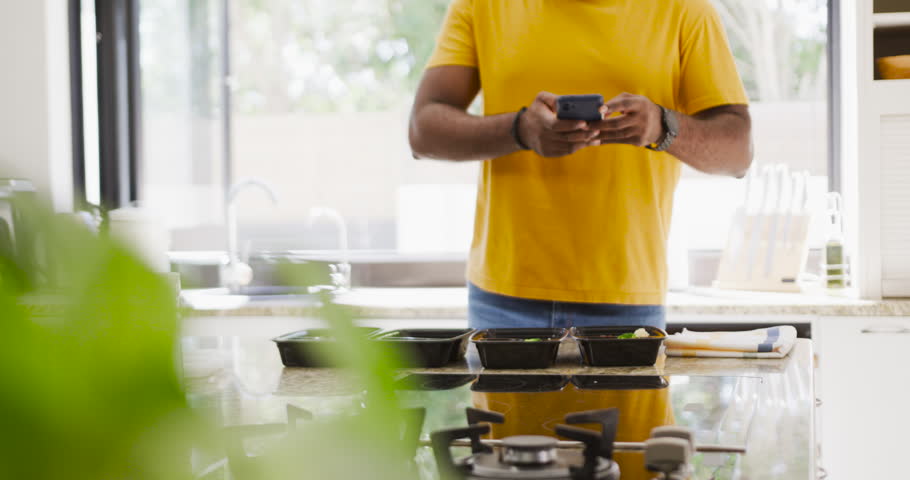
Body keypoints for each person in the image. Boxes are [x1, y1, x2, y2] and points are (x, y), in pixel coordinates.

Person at [409, 0, 752, 331]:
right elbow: (423, 131)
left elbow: (738, 153)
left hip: (628, 298)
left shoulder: (686, 10)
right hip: (503, 299)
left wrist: (663, 127)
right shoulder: (479, 5)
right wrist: (520, 129)